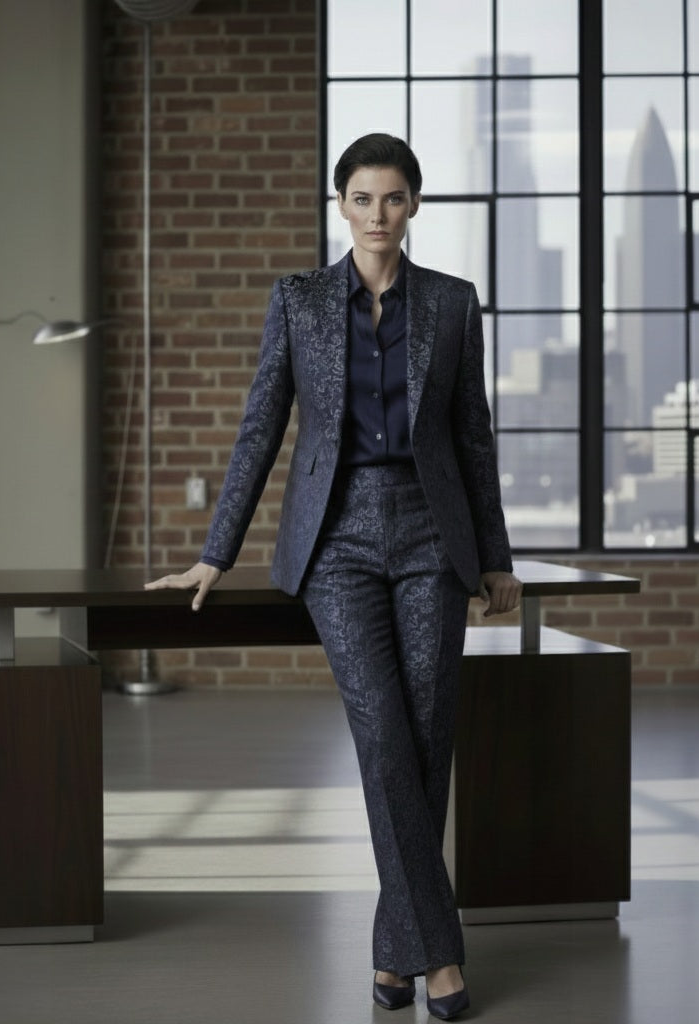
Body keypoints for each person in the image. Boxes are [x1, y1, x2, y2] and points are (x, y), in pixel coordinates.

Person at [146, 133, 521, 1020]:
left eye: (393, 198)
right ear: (340, 205)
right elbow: (259, 427)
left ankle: (395, 955)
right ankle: (439, 960)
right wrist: (216, 549)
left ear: (415, 205)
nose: (378, 214)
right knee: (385, 736)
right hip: (336, 541)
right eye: (361, 198)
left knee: (427, 737)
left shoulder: (453, 304)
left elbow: (472, 436)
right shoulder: (300, 301)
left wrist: (495, 555)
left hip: (434, 536)